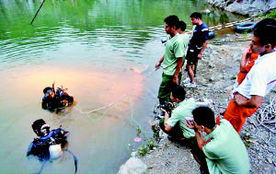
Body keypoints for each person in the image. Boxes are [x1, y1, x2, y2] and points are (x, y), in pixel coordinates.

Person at [223, 18, 276, 133]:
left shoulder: (261, 69)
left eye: (254, 43)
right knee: (234, 124)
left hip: (241, 103)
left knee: (227, 130)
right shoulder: (271, 56)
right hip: (243, 98)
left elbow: (256, 101)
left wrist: (241, 102)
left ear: (268, 46)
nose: (250, 45)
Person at [186, 106, 250, 174]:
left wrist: (195, 130)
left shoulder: (212, 147)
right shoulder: (225, 123)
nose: (193, 122)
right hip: (244, 169)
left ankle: (205, 170)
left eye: (195, 122)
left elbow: (201, 147)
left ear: (202, 127)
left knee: (196, 148)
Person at [155, 15, 186, 104]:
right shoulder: (169, 38)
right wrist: (160, 61)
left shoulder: (178, 41)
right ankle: (167, 108)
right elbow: (168, 52)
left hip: (171, 74)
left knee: (162, 94)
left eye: (167, 27)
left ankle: (165, 112)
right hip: (167, 70)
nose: (165, 29)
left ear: (173, 27)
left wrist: (175, 75)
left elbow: (181, 59)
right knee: (168, 93)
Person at [184, 12, 209, 88]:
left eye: (193, 20)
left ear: (198, 19)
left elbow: (205, 42)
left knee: (188, 66)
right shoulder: (196, 26)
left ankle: (192, 82)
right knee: (192, 65)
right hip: (192, 48)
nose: (191, 21)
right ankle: (190, 78)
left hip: (195, 50)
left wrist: (200, 53)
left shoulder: (204, 28)